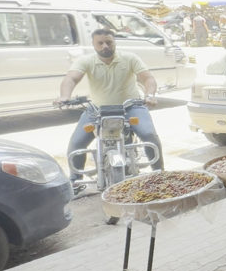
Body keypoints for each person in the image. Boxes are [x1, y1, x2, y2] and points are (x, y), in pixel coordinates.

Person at [56, 29, 163, 183]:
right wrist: (64, 96)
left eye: (109, 42)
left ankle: (160, 175)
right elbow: (71, 78)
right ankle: (75, 181)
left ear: (114, 43)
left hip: (131, 107)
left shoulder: (129, 58)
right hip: (97, 110)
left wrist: (150, 95)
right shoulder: (86, 61)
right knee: (77, 144)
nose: (105, 46)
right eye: (100, 43)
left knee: (149, 135)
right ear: (93, 44)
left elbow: (148, 78)